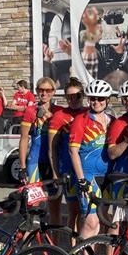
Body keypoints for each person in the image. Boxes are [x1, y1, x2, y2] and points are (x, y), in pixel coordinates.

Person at [69, 79, 115, 240]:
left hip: (107, 177)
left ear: (107, 100)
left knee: (102, 221)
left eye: (100, 99)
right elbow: (73, 151)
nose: (96, 102)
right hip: (88, 177)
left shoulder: (112, 120)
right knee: (90, 222)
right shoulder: (81, 120)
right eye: (93, 98)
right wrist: (81, 180)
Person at [48, 78, 85, 236]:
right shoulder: (59, 116)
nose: (73, 100)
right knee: (73, 212)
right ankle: (72, 251)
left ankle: (84, 247)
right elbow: (52, 150)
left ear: (82, 95)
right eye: (69, 97)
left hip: (86, 171)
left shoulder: (89, 113)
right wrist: (56, 174)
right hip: (68, 171)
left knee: (86, 212)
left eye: (76, 96)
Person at [19, 77, 60, 185]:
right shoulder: (30, 110)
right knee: (34, 200)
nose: (44, 93)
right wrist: (22, 167)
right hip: (35, 160)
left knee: (55, 198)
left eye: (48, 90)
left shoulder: (59, 111)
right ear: (36, 90)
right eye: (41, 90)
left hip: (54, 161)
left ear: (54, 92)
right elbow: (23, 139)